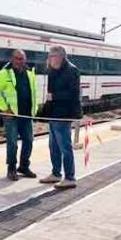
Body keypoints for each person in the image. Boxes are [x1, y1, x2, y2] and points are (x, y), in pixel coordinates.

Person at [0, 49, 39, 181]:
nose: (20, 61)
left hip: (27, 114)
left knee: (28, 141)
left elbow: (33, 93)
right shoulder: (3, 74)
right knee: (12, 143)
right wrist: (5, 109)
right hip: (12, 116)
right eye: (17, 58)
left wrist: (34, 109)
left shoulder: (30, 74)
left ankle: (24, 166)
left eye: (22, 58)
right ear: (12, 59)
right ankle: (11, 169)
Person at [40, 45, 81, 189]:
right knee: (53, 146)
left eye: (51, 56)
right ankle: (56, 173)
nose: (49, 59)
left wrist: (54, 96)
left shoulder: (72, 70)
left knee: (64, 146)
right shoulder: (53, 70)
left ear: (60, 57)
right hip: (54, 113)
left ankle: (70, 177)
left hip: (64, 114)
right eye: (49, 56)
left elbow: (74, 94)